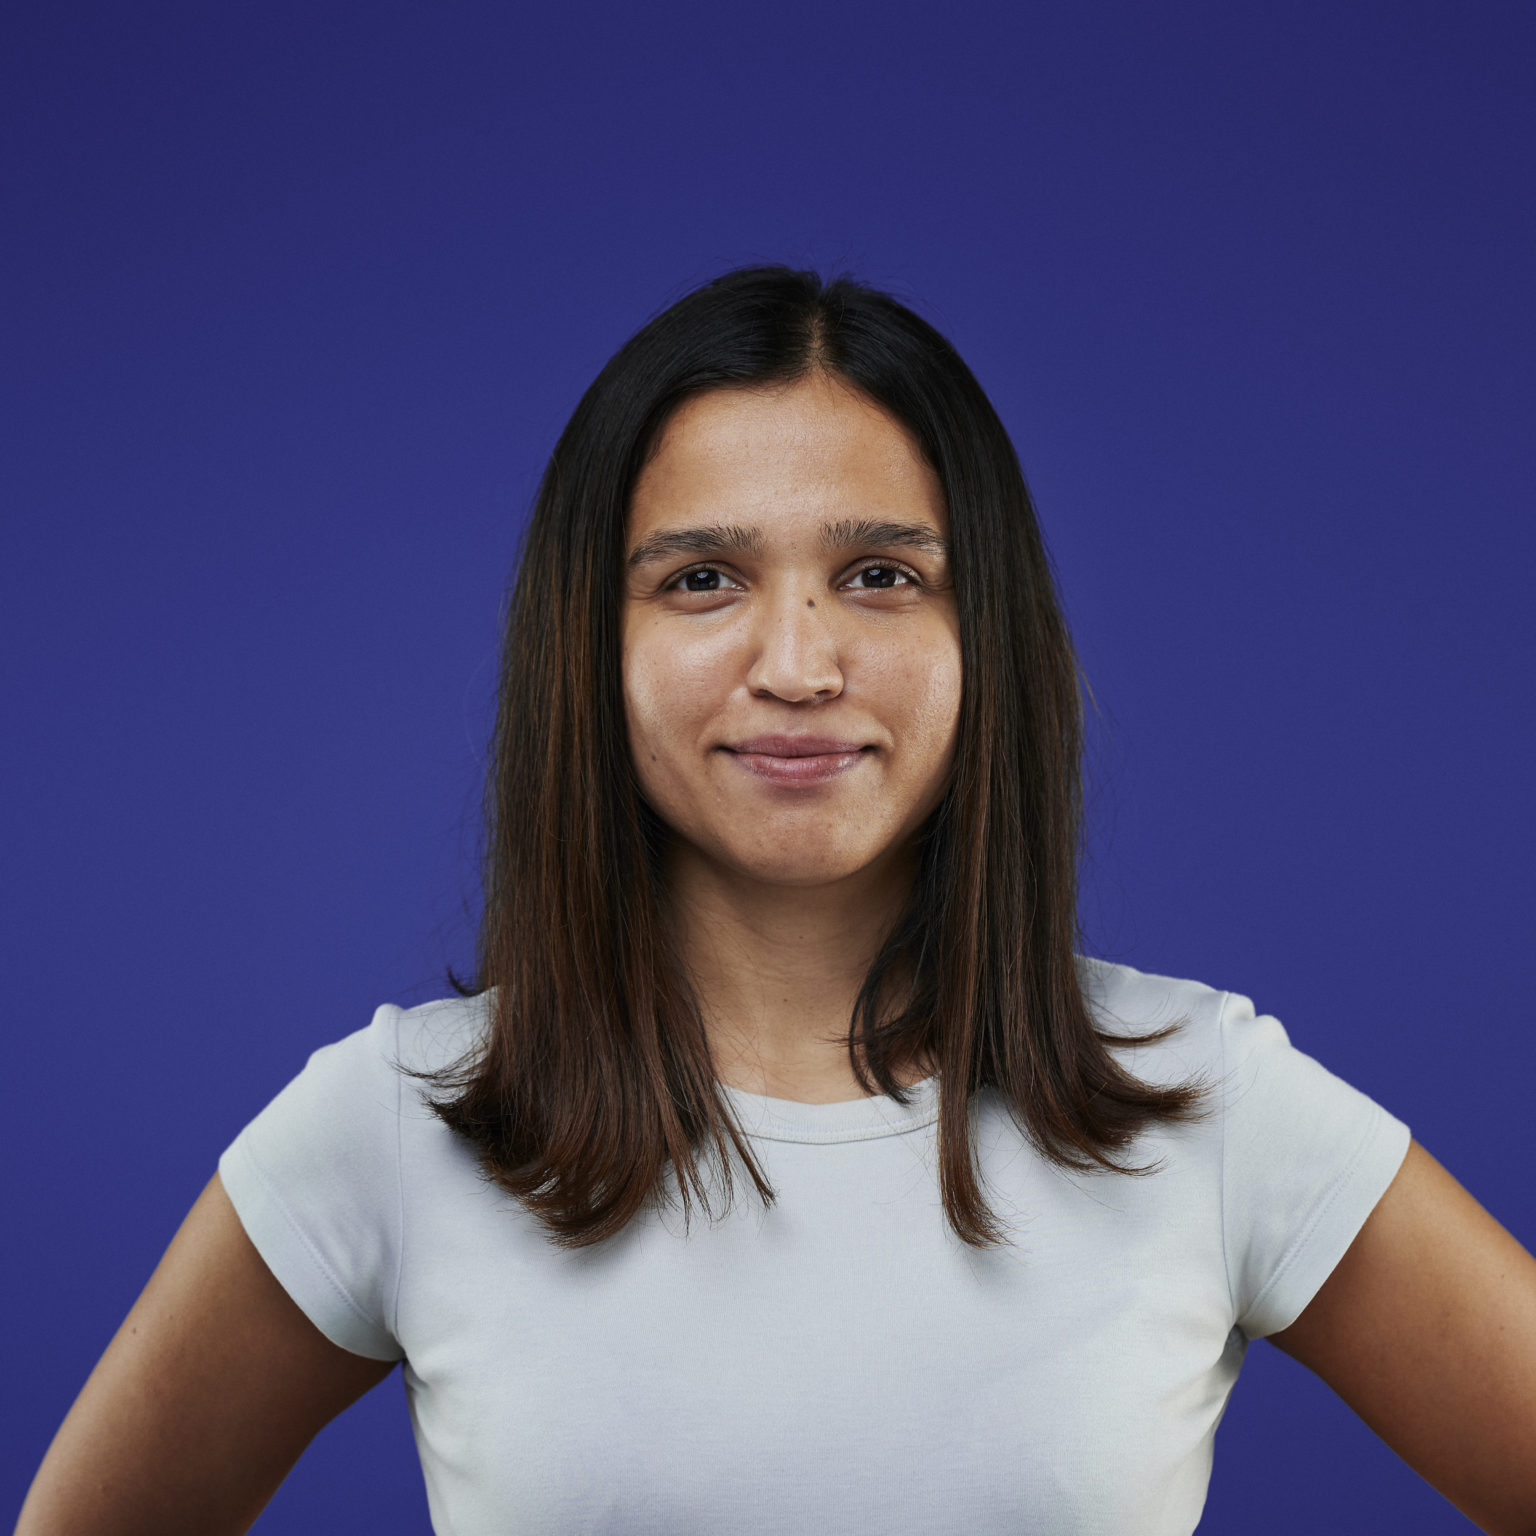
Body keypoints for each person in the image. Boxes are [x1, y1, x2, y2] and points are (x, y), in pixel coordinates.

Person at [17, 266, 1536, 1536]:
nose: (799, 662)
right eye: (701, 580)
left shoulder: (1203, 1108)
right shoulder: (400, 1126)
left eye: (881, 575)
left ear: (980, 634)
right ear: (588, 647)